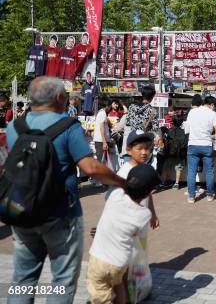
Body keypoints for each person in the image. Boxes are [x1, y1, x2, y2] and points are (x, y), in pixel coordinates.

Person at [6, 76, 126, 304]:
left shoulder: (15, 127)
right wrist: (121, 181)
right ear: (60, 97)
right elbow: (90, 167)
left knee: (23, 279)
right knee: (61, 281)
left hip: (22, 211)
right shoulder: (68, 126)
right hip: (61, 214)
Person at [87, 164, 161, 304]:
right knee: (118, 283)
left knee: (100, 294)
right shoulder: (144, 214)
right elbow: (132, 234)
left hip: (99, 259)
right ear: (150, 193)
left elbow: (109, 180)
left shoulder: (115, 196)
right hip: (120, 263)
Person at [186, 95, 216, 203]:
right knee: (209, 171)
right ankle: (210, 195)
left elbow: (187, 129)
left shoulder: (192, 112)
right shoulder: (212, 113)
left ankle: (191, 196)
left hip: (192, 144)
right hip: (206, 144)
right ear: (211, 105)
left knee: (191, 171)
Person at [123, 86, 159, 158]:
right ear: (152, 97)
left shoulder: (132, 107)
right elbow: (155, 128)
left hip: (133, 140)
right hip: (145, 142)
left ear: (142, 95)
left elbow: (127, 122)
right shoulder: (152, 111)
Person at [164, 114, 188, 190]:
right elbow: (185, 143)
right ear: (182, 122)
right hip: (180, 153)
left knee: (166, 168)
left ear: (173, 121)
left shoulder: (169, 131)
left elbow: (167, 142)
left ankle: (162, 182)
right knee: (178, 168)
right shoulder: (184, 132)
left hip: (170, 153)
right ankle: (176, 183)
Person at [93, 101, 113, 172]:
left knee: (102, 160)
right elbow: (101, 127)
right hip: (101, 141)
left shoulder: (101, 113)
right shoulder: (102, 113)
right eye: (110, 106)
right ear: (107, 106)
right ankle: (98, 179)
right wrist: (104, 142)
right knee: (101, 160)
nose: (110, 108)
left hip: (101, 140)